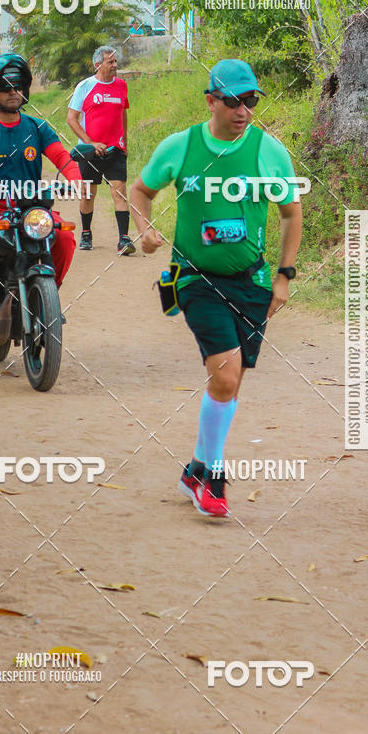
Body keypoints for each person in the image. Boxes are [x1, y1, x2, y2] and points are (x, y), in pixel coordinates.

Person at [130, 59, 303, 517]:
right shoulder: (181, 146)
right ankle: (213, 480)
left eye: (251, 101)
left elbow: (291, 213)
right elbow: (141, 190)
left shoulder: (268, 151)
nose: (243, 110)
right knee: (225, 376)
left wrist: (284, 276)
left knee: (230, 382)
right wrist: (145, 229)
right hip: (195, 278)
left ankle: (195, 468)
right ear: (211, 101)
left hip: (253, 282)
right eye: (233, 102)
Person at [0, 53, 81, 331]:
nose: (13, 92)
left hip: (30, 206)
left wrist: (75, 179)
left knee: (64, 237)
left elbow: (62, 157)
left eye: (18, 87)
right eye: (6, 87)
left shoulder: (38, 127)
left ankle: (47, 298)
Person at [67, 45, 135, 255]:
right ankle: (86, 232)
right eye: (110, 62)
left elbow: (123, 113)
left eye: (115, 61)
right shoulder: (85, 86)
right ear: (98, 64)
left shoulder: (122, 85)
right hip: (90, 152)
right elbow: (71, 119)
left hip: (115, 149)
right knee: (88, 194)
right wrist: (90, 143)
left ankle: (124, 239)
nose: (115, 65)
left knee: (120, 190)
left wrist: (124, 142)